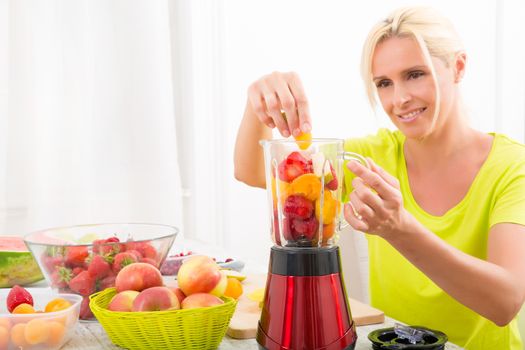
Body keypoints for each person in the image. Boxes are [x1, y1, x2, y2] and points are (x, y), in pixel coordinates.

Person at [233, 6, 525, 350]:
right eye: (384, 83)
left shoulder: (512, 167)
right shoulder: (372, 158)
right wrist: (259, 104)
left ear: (458, 67)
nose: (399, 99)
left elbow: (504, 302)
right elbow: (251, 172)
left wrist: (399, 229)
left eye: (415, 74)